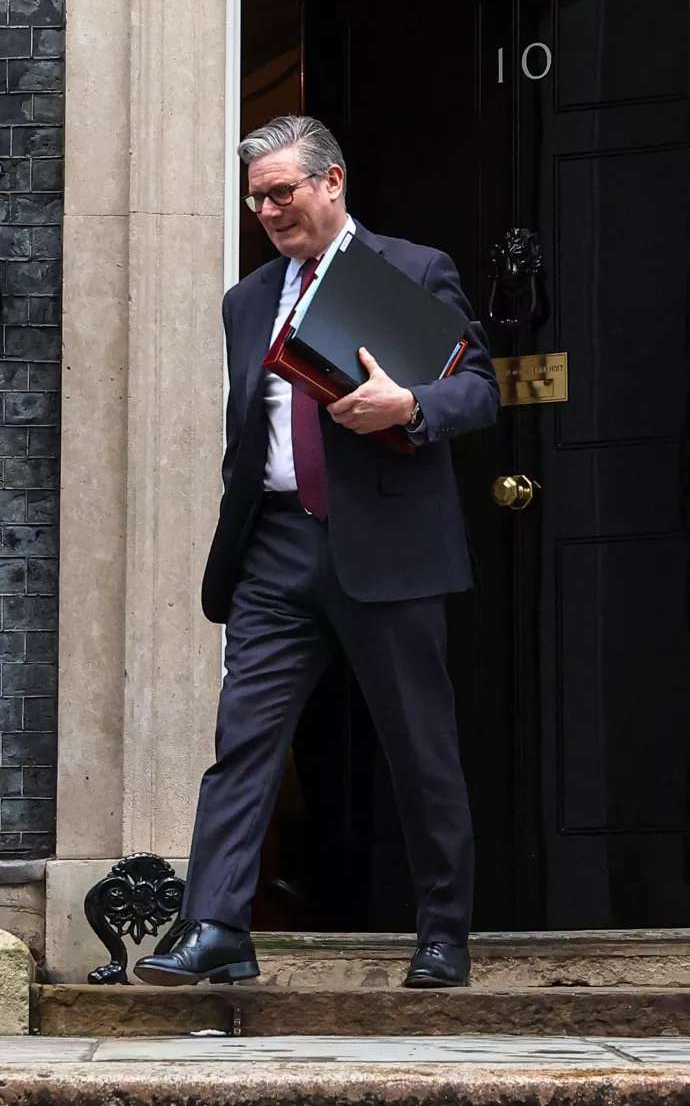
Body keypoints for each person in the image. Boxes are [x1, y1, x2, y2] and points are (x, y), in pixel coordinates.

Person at [135, 115, 500, 989]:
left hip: (387, 545)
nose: (266, 209)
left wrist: (408, 406)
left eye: (282, 191)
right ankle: (217, 923)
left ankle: (443, 934)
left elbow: (480, 390)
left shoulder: (414, 269)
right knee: (244, 741)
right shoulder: (247, 299)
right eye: (256, 196)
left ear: (332, 181)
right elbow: (249, 428)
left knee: (420, 748)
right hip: (276, 547)